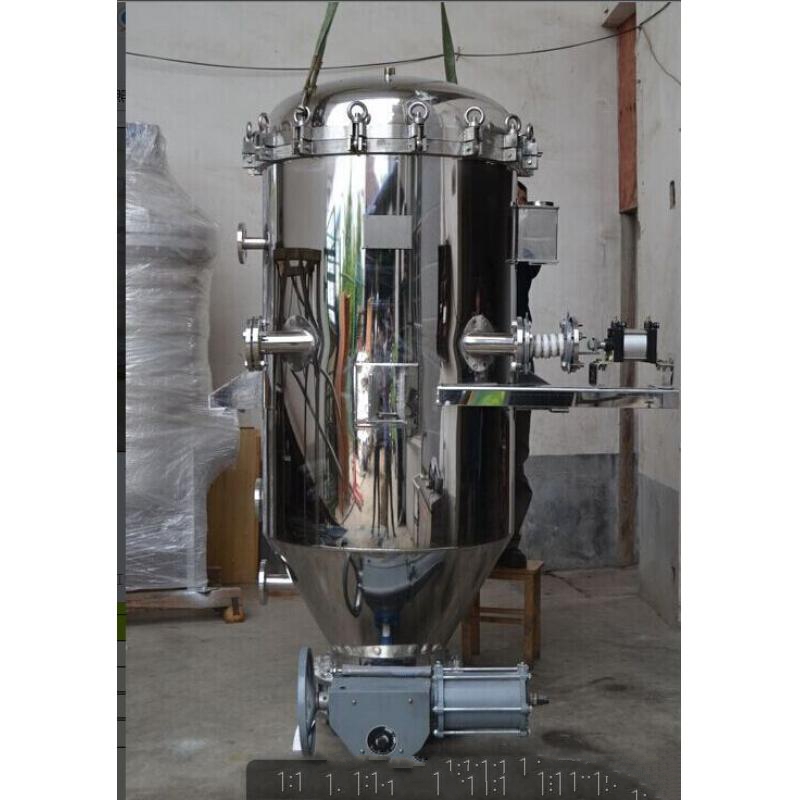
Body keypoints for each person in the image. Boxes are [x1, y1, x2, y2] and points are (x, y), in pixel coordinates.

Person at [497, 181, 539, 570]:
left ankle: (509, 542)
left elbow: (532, 260)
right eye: (513, 201)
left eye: (522, 202)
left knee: (516, 452)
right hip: (481, 357)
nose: (518, 207)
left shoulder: (525, 252)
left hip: (518, 355)